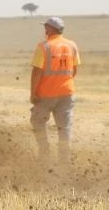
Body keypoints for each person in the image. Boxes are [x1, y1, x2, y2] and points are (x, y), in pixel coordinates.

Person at [30, 16, 80, 164]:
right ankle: (64, 160)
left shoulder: (44, 47)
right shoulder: (72, 45)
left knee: (38, 122)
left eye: (46, 27)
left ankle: (44, 153)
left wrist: (33, 92)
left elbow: (37, 72)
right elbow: (74, 70)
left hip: (46, 94)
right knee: (64, 127)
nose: (45, 29)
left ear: (51, 29)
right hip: (67, 92)